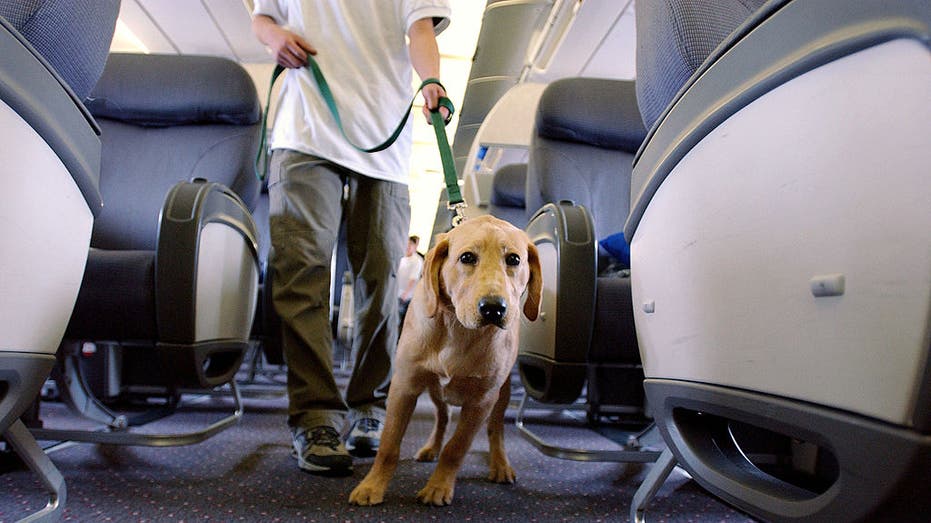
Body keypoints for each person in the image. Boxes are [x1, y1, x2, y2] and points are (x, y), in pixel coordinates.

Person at [251, 0, 452, 475]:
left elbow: (420, 29)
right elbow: (263, 16)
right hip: (305, 133)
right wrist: (273, 37)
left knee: (380, 281)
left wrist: (432, 80)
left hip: (383, 139)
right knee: (301, 275)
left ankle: (371, 408)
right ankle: (315, 416)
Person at [396, 235, 423, 330]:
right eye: (406, 244)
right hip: (396, 292)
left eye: (410, 245)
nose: (407, 247)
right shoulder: (401, 257)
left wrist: (406, 293)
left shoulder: (417, 261)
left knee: (398, 319)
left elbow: (413, 279)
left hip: (405, 296)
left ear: (415, 247)